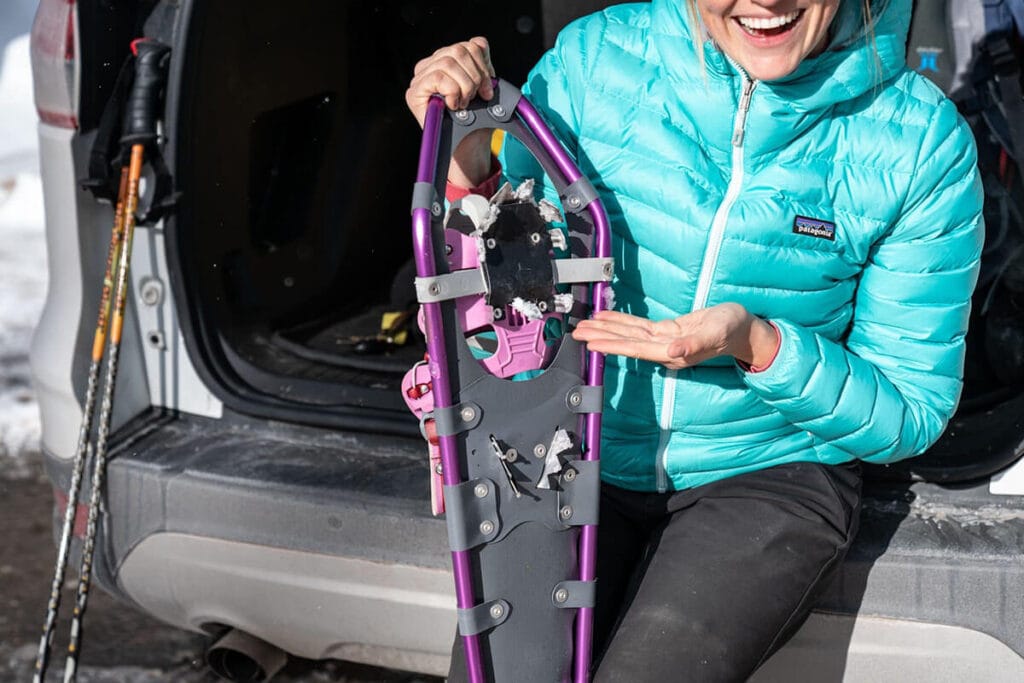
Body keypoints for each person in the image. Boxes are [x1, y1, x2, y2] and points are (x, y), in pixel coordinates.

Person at [405, 0, 984, 680]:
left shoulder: (919, 141)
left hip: (766, 472)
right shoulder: (594, 64)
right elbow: (510, 281)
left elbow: (908, 408)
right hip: (573, 443)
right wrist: (469, 159)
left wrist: (759, 344)